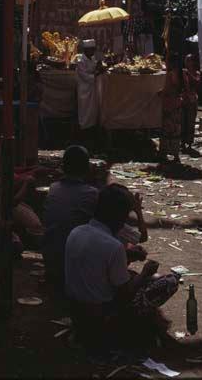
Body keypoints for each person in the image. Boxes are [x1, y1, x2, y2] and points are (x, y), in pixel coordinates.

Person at [65, 183, 179, 346]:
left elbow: (95, 261)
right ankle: (130, 330)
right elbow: (125, 292)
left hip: (75, 310)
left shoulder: (76, 232)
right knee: (168, 281)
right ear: (118, 216)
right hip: (102, 315)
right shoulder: (113, 246)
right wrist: (145, 273)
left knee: (137, 277)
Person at [43, 145, 99, 289]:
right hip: (72, 266)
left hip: (51, 260)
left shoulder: (54, 188)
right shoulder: (91, 194)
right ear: (86, 168)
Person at [158, 53, 183, 164]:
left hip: (170, 103)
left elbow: (170, 89)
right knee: (175, 129)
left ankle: (164, 152)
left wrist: (162, 93)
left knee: (168, 128)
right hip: (176, 102)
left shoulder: (171, 74)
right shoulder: (181, 73)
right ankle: (175, 154)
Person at [76, 40, 102, 132]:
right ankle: (83, 127)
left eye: (93, 50)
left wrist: (99, 66)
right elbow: (84, 76)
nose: (92, 52)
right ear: (86, 50)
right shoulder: (80, 60)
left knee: (92, 108)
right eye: (91, 50)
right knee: (84, 108)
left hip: (92, 87)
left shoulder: (92, 57)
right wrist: (96, 73)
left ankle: (91, 126)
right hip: (84, 88)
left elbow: (94, 68)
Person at [181, 54, 200, 153]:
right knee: (183, 121)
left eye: (189, 60)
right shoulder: (183, 72)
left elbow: (197, 82)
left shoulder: (196, 73)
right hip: (183, 99)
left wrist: (188, 74)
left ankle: (189, 143)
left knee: (190, 122)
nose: (187, 62)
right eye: (186, 60)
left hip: (192, 99)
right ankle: (182, 143)